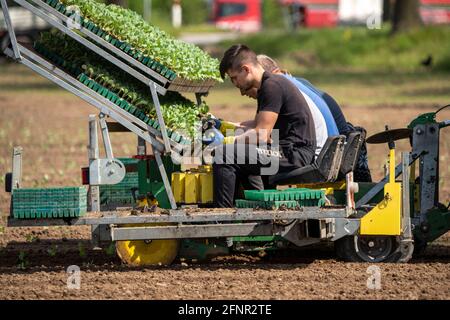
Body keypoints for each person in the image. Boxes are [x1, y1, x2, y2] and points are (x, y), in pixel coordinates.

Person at [211, 44, 317, 208]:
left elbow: (260, 134)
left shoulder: (272, 86)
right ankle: (259, 209)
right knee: (241, 153)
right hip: (287, 151)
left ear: (246, 69)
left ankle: (220, 219)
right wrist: (225, 127)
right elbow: (257, 125)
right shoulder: (269, 85)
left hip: (293, 154)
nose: (235, 84)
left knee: (224, 154)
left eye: (234, 78)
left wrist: (227, 142)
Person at [245, 55, 372, 183]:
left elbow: (264, 133)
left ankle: (251, 200)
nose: (245, 92)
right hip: (337, 148)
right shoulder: (297, 81)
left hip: (322, 156)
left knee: (248, 157)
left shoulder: (276, 85)